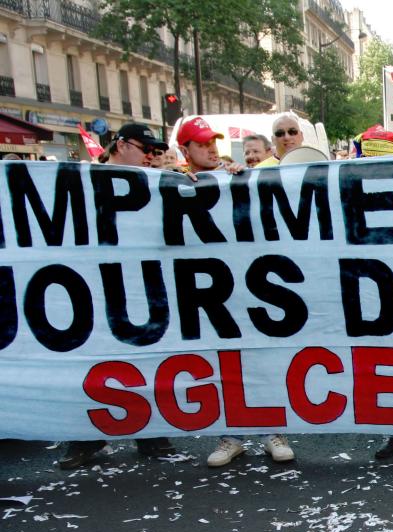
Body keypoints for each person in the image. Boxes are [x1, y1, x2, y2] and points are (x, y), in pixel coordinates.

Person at [57, 123, 178, 469]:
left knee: (147, 360)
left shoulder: (154, 184)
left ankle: (153, 438)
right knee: (93, 362)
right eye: (146, 150)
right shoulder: (81, 181)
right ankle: (85, 439)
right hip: (94, 288)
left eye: (156, 152)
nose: (151, 157)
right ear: (121, 146)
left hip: (142, 287)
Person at [175, 117, 294, 467]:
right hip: (205, 288)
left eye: (213, 141)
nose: (211, 148)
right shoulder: (171, 183)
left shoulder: (234, 174)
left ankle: (273, 430)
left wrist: (243, 178)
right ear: (185, 150)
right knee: (221, 363)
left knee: (260, 358)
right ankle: (231, 436)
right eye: (201, 144)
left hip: (247, 283)